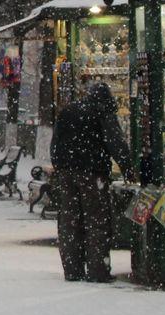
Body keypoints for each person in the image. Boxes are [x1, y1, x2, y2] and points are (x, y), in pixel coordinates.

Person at [50, 81, 131, 282]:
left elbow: (55, 142)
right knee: (97, 221)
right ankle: (97, 270)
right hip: (92, 174)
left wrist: (61, 166)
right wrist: (127, 167)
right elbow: (116, 142)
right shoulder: (102, 112)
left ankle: (72, 269)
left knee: (69, 221)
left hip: (67, 173)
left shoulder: (69, 111)